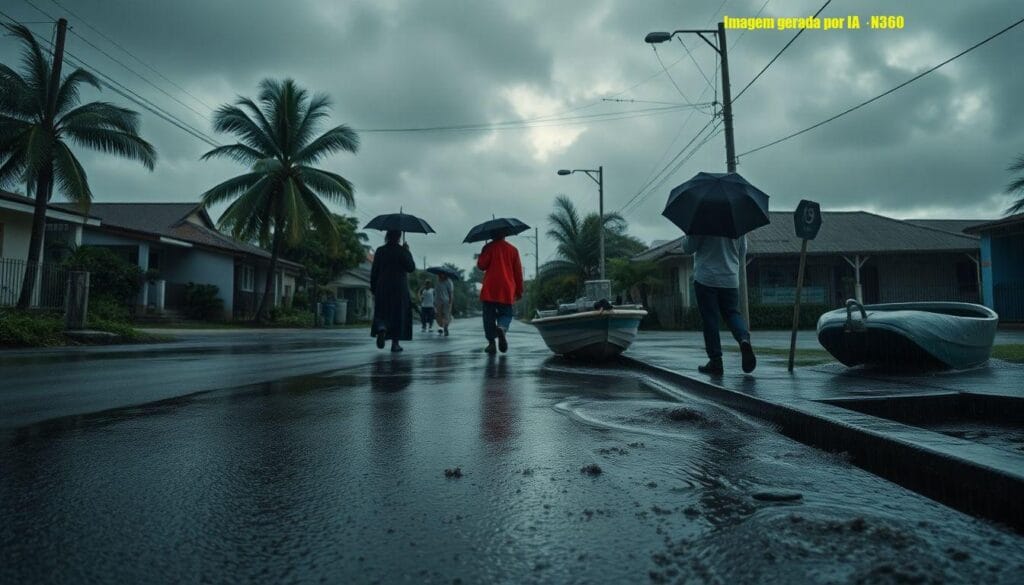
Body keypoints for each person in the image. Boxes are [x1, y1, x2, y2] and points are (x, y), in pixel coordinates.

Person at [682, 234, 756, 374]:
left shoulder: (701, 219)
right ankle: (744, 339)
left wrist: (687, 235)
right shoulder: (736, 221)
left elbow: (688, 248)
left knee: (710, 319)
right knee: (732, 313)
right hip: (730, 279)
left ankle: (716, 361)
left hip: (706, 278)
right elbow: (742, 251)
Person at [476, 235, 524, 354]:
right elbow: (518, 272)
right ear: (505, 234)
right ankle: (502, 328)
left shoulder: (489, 248)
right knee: (506, 314)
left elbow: (481, 266)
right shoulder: (513, 250)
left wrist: (484, 250)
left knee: (488, 317)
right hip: (506, 288)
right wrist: (519, 291)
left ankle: (492, 344)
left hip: (490, 288)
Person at [370, 230, 416, 352]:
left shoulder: (380, 250)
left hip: (382, 286)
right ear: (399, 237)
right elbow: (411, 268)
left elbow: (374, 271)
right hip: (399, 287)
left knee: (382, 311)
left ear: (387, 236)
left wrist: (374, 288)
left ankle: (381, 327)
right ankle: (395, 344)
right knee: (397, 314)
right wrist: (407, 251)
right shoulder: (402, 251)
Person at [434, 272, 455, 336]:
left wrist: (451, 302)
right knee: (438, 315)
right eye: (440, 274)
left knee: (446, 315)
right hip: (438, 301)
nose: (441, 275)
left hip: (446, 301)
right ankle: (441, 327)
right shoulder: (438, 281)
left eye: (443, 274)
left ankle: (445, 327)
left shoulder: (449, 282)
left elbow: (451, 292)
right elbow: (436, 292)